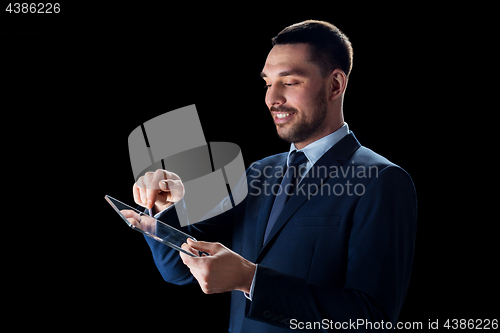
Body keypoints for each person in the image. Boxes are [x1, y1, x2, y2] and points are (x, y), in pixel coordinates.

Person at [129, 20, 417, 332]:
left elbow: (371, 319)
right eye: (268, 84)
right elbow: (179, 270)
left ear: (335, 85)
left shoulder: (382, 180)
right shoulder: (260, 172)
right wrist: (165, 208)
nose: (272, 99)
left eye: (290, 82)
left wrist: (250, 279)